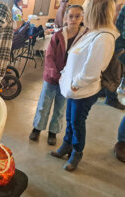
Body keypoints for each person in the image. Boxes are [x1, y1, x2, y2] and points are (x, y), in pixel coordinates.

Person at [51, 0, 119, 171]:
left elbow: (92, 69)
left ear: (94, 11)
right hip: (74, 89)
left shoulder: (104, 37)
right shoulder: (94, 32)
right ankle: (66, 145)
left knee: (77, 122)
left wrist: (75, 83)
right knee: (69, 119)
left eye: (86, 9)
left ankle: (76, 152)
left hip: (83, 90)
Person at [30, 5, 86, 146]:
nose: (73, 19)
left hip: (69, 80)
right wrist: (56, 75)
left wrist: (72, 78)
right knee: (44, 103)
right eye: (71, 16)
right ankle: (37, 128)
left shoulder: (85, 37)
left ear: (82, 17)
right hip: (52, 77)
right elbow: (49, 57)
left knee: (60, 107)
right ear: (66, 18)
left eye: (77, 16)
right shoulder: (58, 35)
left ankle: (53, 131)